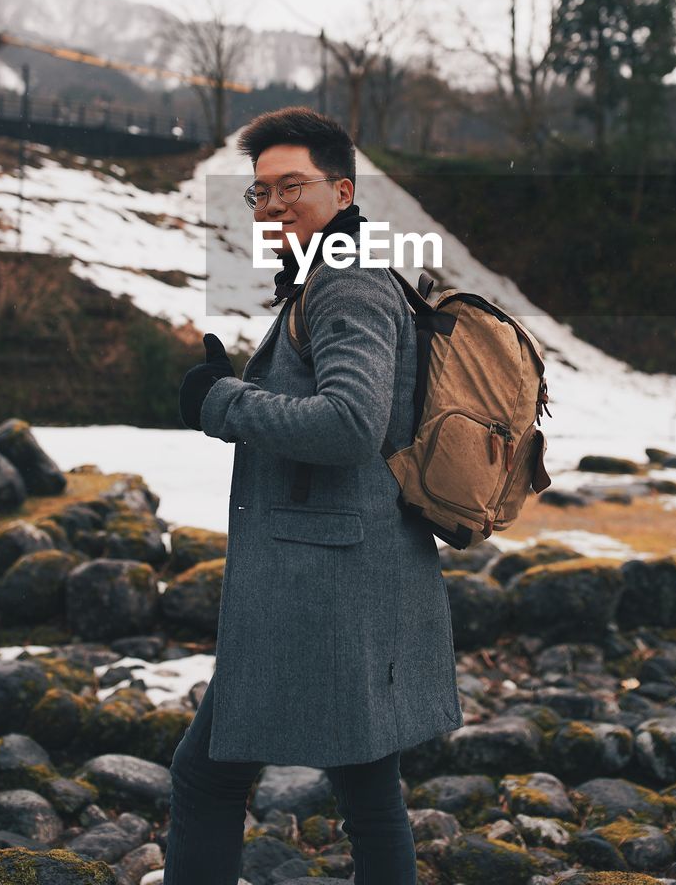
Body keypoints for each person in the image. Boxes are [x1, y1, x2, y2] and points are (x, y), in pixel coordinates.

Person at [165, 105, 462, 885]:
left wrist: (220, 402)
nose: (272, 207)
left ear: (341, 188)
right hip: (340, 574)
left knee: (209, 773)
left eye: (290, 187)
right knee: (366, 791)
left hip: (317, 589)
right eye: (259, 193)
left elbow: (348, 425)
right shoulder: (328, 276)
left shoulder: (346, 282)